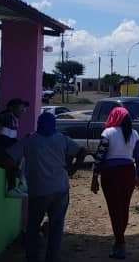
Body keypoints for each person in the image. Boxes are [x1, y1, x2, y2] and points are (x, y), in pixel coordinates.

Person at [7, 112, 86, 262]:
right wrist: (73, 169)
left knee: (33, 228)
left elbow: (10, 158)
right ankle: (52, 258)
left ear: (39, 124)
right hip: (61, 189)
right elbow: (82, 151)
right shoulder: (61, 139)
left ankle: (33, 257)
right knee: (56, 227)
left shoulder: (29, 140)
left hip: (39, 190)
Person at [91, 107, 139, 259]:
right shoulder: (134, 134)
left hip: (111, 174)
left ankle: (120, 245)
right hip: (128, 172)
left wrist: (95, 176)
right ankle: (118, 241)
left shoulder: (108, 133)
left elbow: (100, 156)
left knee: (114, 209)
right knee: (123, 207)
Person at [0, 98, 30, 197]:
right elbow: (3, 139)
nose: (23, 110)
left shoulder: (13, 118)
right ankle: (17, 185)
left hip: (5, 148)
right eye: (21, 107)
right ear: (11, 108)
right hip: (0, 149)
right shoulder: (7, 117)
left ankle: (20, 183)